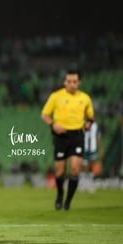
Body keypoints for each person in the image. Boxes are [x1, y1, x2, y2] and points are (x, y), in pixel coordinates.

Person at [41, 70, 94, 210]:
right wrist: (53, 125)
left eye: (75, 81)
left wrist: (88, 123)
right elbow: (45, 115)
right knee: (59, 172)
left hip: (77, 135)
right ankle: (59, 194)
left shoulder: (85, 98)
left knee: (75, 169)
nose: (72, 84)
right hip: (61, 137)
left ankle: (68, 202)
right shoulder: (56, 96)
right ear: (65, 82)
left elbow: (90, 117)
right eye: (69, 81)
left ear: (79, 83)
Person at [80, 121, 103, 192]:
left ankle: (90, 183)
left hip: (92, 149)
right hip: (85, 148)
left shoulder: (95, 125)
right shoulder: (82, 123)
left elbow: (98, 137)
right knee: (83, 166)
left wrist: (100, 149)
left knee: (91, 166)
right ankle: (82, 183)